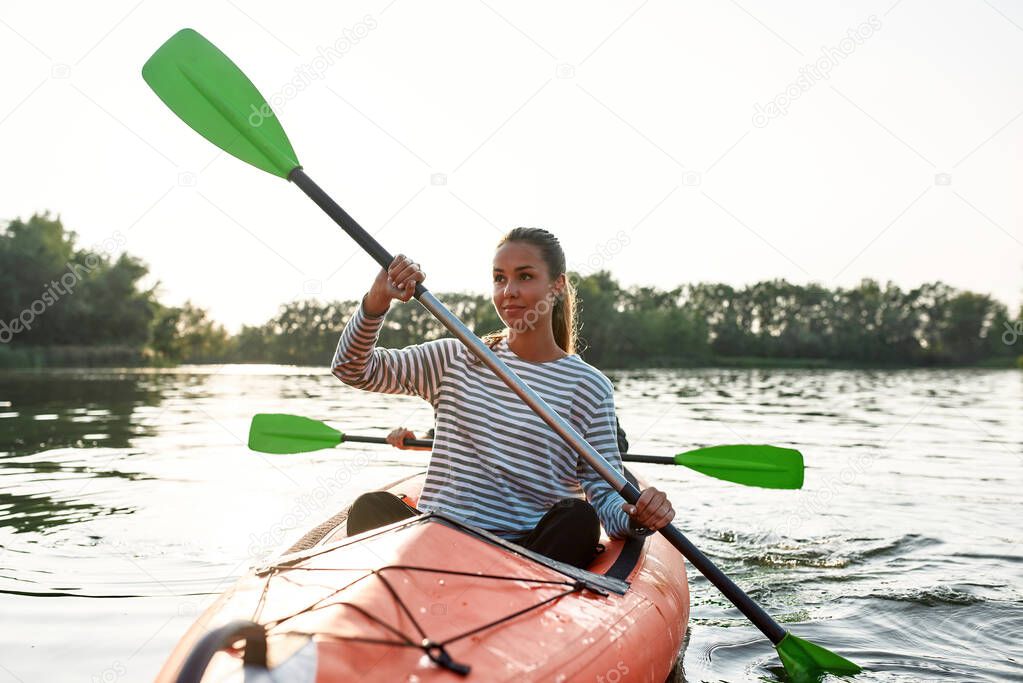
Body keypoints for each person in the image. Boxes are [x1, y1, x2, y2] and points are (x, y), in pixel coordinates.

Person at [331, 227, 674, 568]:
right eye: (499, 278)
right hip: (436, 538)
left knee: (579, 517)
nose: (509, 291)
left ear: (557, 286)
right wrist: (376, 302)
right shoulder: (456, 357)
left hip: (526, 553)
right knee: (370, 506)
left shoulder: (588, 385)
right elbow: (351, 369)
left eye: (525, 276)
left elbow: (606, 501)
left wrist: (637, 515)